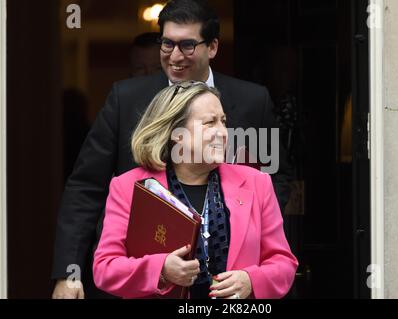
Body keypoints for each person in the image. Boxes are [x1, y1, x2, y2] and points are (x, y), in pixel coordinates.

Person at [52, 0, 293, 299]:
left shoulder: (252, 100)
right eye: (167, 44)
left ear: (213, 47)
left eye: (187, 45)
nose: (175, 56)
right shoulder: (126, 98)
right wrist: (69, 271)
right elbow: (87, 186)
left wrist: (247, 234)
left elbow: (274, 176)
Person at [93, 81, 298, 299]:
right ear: (176, 133)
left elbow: (283, 263)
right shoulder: (128, 187)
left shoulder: (257, 183)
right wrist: (161, 270)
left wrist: (251, 281)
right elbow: (105, 268)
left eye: (223, 121)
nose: (222, 132)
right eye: (210, 123)